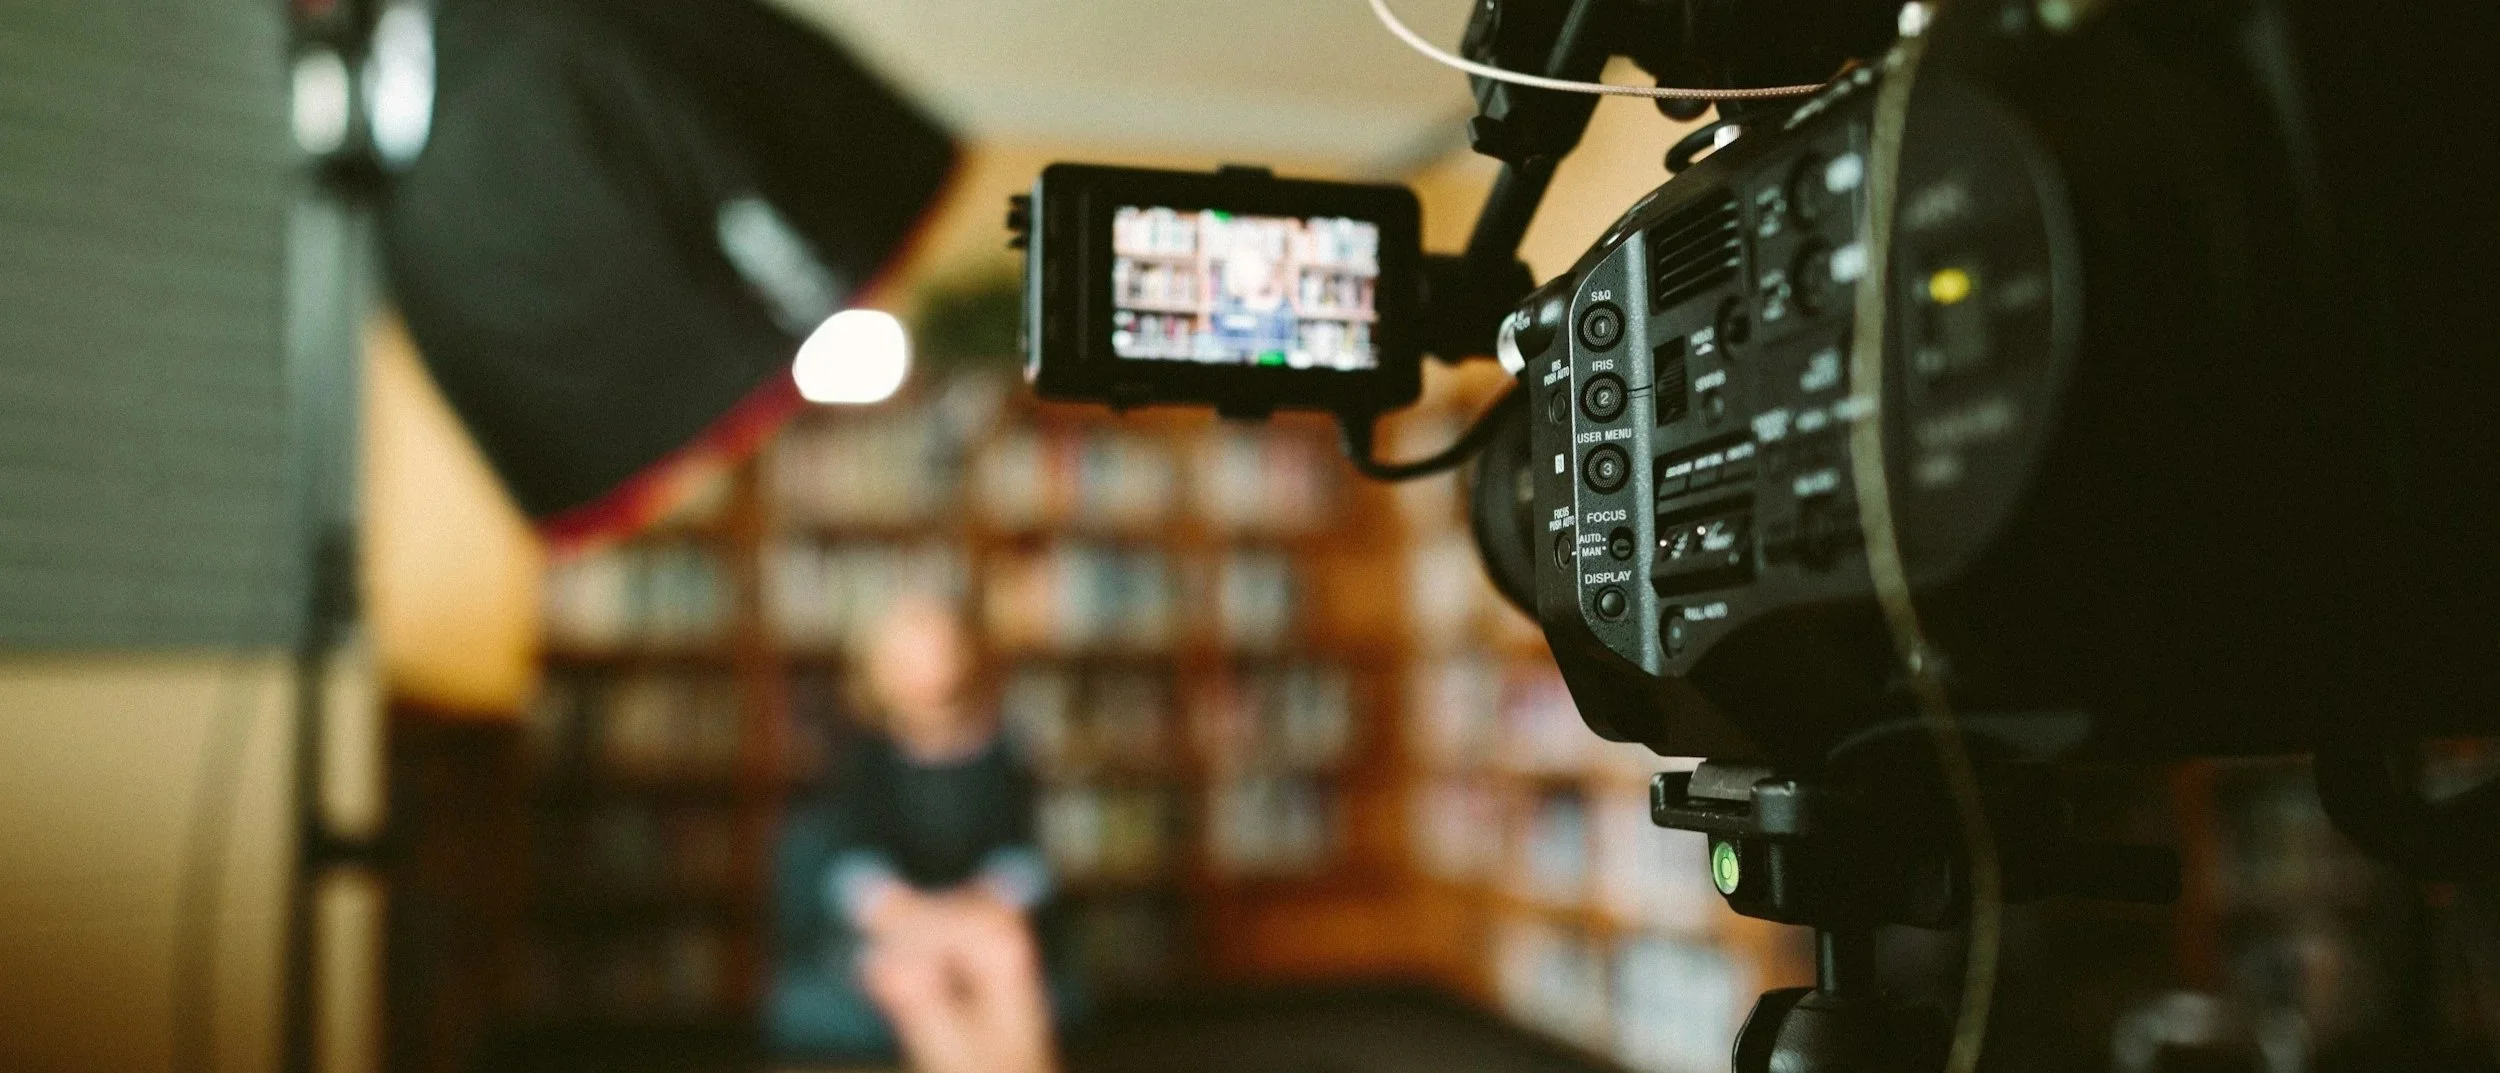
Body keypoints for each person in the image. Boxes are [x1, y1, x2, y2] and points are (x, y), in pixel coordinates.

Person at [770, 592, 1065, 1073]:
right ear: (876, 671)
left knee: (1006, 956)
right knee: (913, 978)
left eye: (934, 650)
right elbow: (851, 868)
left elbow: (1023, 858)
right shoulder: (863, 759)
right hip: (890, 927)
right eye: (904, 657)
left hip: (980, 918)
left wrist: (977, 908)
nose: (922, 669)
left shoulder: (1000, 752)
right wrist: (915, 919)